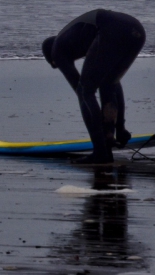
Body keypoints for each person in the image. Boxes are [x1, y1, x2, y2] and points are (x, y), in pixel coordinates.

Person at [41, 9, 145, 164]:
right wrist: (120, 127)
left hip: (111, 28)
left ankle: (100, 151)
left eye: (55, 65)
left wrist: (85, 90)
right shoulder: (79, 38)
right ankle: (113, 138)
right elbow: (111, 83)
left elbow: (81, 90)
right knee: (110, 81)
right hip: (137, 30)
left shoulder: (57, 49)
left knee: (85, 92)